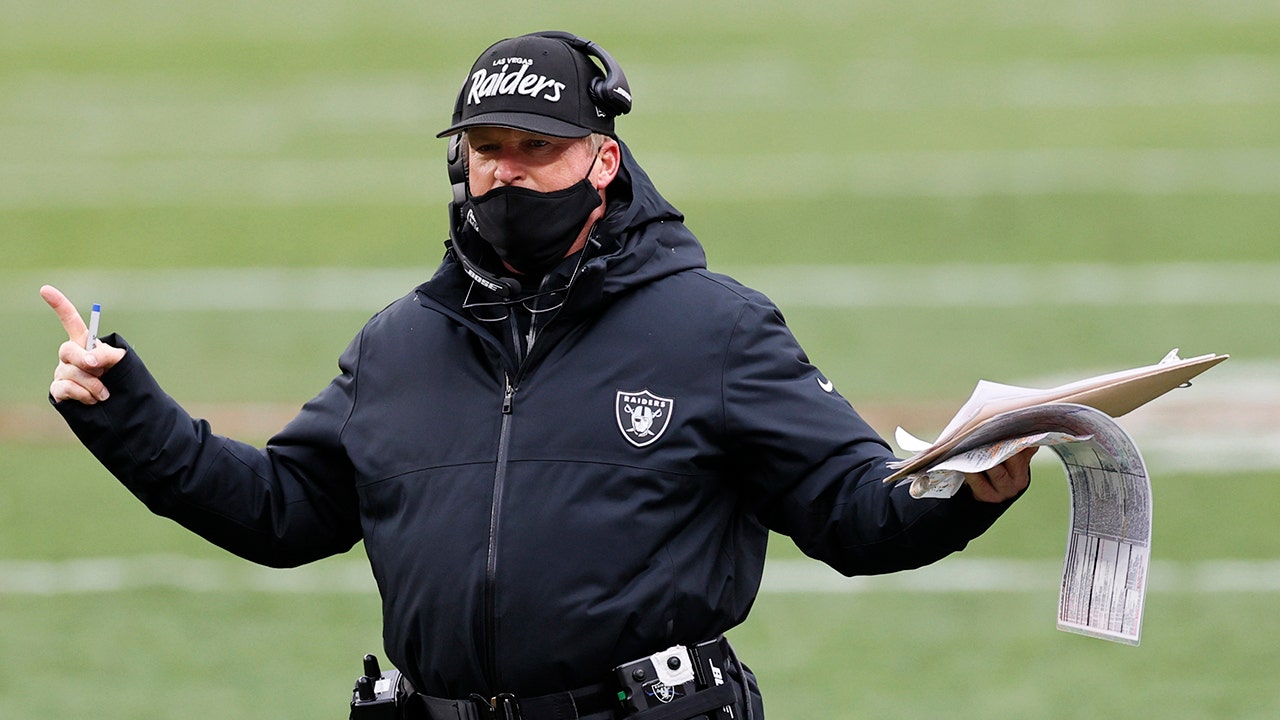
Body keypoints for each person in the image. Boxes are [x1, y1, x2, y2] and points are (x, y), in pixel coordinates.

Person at [44, 31, 1032, 720]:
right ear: (458, 164)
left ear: (603, 160)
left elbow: (851, 512)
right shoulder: (397, 345)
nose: (507, 172)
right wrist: (127, 409)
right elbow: (283, 511)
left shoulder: (712, 329)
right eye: (487, 149)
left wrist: (961, 488)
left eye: (538, 149)